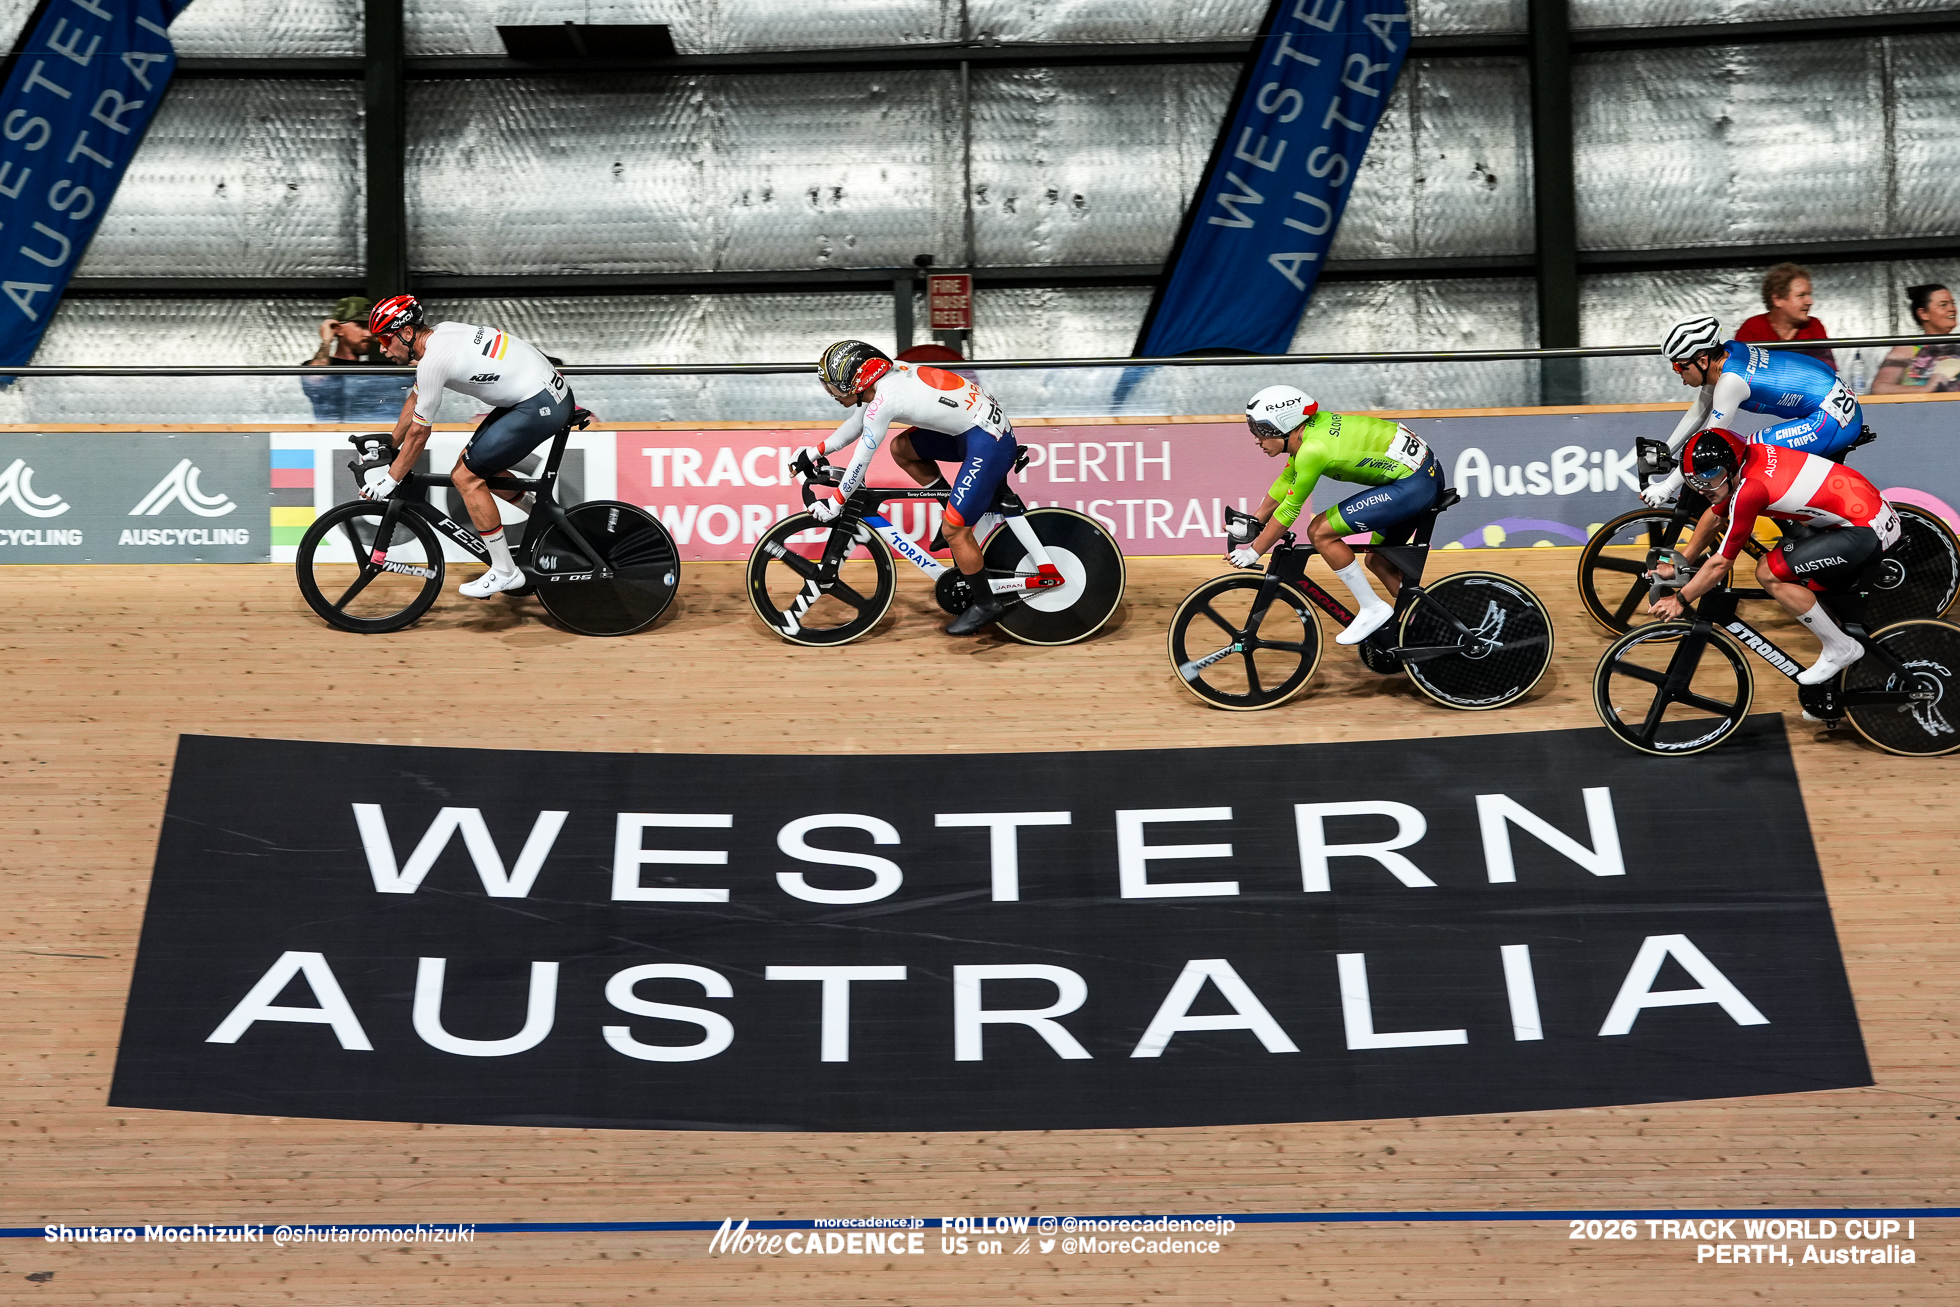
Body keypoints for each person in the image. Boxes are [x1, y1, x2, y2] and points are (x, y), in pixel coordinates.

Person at [358, 294, 575, 599]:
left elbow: (420, 434)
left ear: (406, 333)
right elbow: (417, 398)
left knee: (465, 477)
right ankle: (549, 522)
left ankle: (505, 571)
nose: (382, 348)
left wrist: (390, 480)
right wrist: (392, 441)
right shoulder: (442, 333)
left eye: (385, 338)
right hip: (538, 393)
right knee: (478, 466)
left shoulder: (433, 361)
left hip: (537, 403)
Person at [1651, 429, 1901, 685]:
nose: (1702, 489)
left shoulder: (1749, 490)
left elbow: (1721, 563)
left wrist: (1680, 599)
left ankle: (1840, 648)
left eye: (1709, 477)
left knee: (1768, 572)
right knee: (1818, 596)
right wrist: (1679, 564)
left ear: (1731, 465)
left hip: (1863, 532)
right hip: (1868, 518)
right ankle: (1842, 683)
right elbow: (1715, 517)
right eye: (1695, 482)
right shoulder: (1751, 458)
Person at [813, 339, 1019, 636]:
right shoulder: (883, 383)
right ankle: (952, 506)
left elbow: (860, 460)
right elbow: (855, 425)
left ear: (859, 381)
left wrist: (835, 503)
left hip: (988, 440)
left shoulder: (885, 399)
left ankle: (986, 604)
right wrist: (814, 451)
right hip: (975, 427)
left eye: (836, 387)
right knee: (903, 448)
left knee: (954, 531)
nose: (832, 394)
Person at [1228, 385, 1443, 647]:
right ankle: (1428, 625)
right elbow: (1286, 480)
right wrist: (1256, 520)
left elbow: (1290, 509)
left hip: (1413, 484)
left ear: (1281, 427)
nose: (1256, 439)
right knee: (1378, 561)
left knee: (1320, 532)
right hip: (1421, 476)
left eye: (1259, 431)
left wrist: (1254, 552)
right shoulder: (1311, 430)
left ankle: (1372, 607)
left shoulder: (1313, 449)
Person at [1642, 315, 1864, 507]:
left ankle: (1794, 531)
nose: (1678, 374)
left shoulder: (1730, 382)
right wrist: (1667, 450)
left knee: (1749, 458)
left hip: (1832, 420)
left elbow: (1707, 443)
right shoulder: (1729, 351)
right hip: (1834, 404)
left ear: (1701, 361)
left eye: (1679, 366)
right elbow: (1699, 410)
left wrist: (1666, 488)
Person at [299, 294, 412, 423]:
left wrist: (389, 339)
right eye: (361, 326)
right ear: (338, 329)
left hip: (385, 438)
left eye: (371, 328)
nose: (368, 333)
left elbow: (423, 368)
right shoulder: (323, 367)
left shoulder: (384, 369)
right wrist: (326, 340)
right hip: (333, 438)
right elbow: (314, 381)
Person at [1734, 262, 1836, 371]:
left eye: (1809, 295)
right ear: (1777, 300)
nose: (1810, 302)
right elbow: (1738, 373)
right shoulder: (1752, 328)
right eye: (1801, 295)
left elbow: (1827, 373)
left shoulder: (1814, 326)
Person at [1870, 283, 1960, 394]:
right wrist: (1926, 388)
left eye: (1953, 303)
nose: (1952, 309)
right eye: (1943, 305)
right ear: (1923, 314)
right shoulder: (1908, 348)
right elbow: (1879, 388)